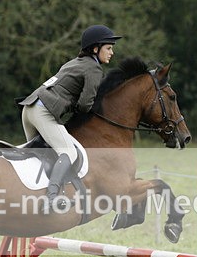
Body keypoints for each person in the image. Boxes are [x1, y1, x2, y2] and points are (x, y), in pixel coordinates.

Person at [19, 24, 122, 212]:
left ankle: (29, 195)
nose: (112, 52)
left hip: (29, 108)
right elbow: (84, 105)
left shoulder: (74, 62)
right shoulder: (93, 69)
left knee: (44, 156)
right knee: (69, 153)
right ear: (95, 48)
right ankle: (51, 199)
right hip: (44, 112)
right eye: (108, 48)